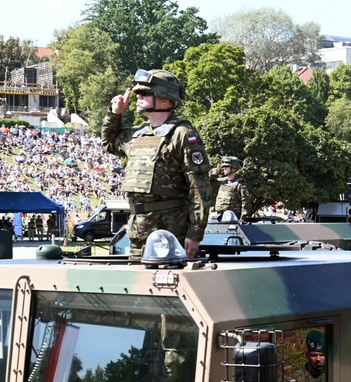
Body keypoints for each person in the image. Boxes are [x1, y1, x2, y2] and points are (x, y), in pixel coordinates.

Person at [103, 69, 212, 258]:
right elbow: (109, 142)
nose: (138, 97)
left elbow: (199, 186)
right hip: (138, 228)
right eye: (137, 93)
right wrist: (115, 114)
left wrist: (196, 233)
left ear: (165, 99)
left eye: (145, 93)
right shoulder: (137, 134)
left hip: (170, 229)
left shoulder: (182, 134)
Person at [211, 155, 250, 220]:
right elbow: (206, 184)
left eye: (226, 167)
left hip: (233, 218)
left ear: (234, 168)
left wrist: (243, 218)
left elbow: (245, 203)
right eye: (223, 167)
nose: (224, 169)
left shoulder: (239, 184)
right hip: (219, 217)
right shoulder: (222, 181)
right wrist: (213, 175)